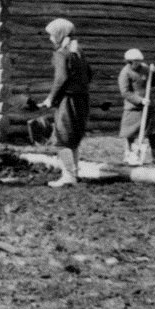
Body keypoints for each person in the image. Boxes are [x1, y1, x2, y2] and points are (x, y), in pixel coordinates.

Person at [39, 17, 92, 188]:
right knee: (73, 139)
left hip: (68, 101)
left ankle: (68, 176)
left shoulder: (62, 53)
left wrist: (50, 99)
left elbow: (61, 78)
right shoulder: (79, 52)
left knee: (61, 139)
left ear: (60, 34)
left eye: (52, 35)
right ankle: (74, 173)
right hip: (82, 100)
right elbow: (90, 74)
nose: (50, 38)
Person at [118, 49, 155, 164]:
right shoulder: (125, 73)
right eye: (135, 61)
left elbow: (153, 83)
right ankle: (128, 153)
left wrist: (154, 73)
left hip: (148, 104)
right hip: (133, 107)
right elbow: (125, 92)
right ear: (129, 62)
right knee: (129, 132)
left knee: (152, 132)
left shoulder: (145, 69)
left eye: (139, 61)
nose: (138, 63)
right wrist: (140, 100)